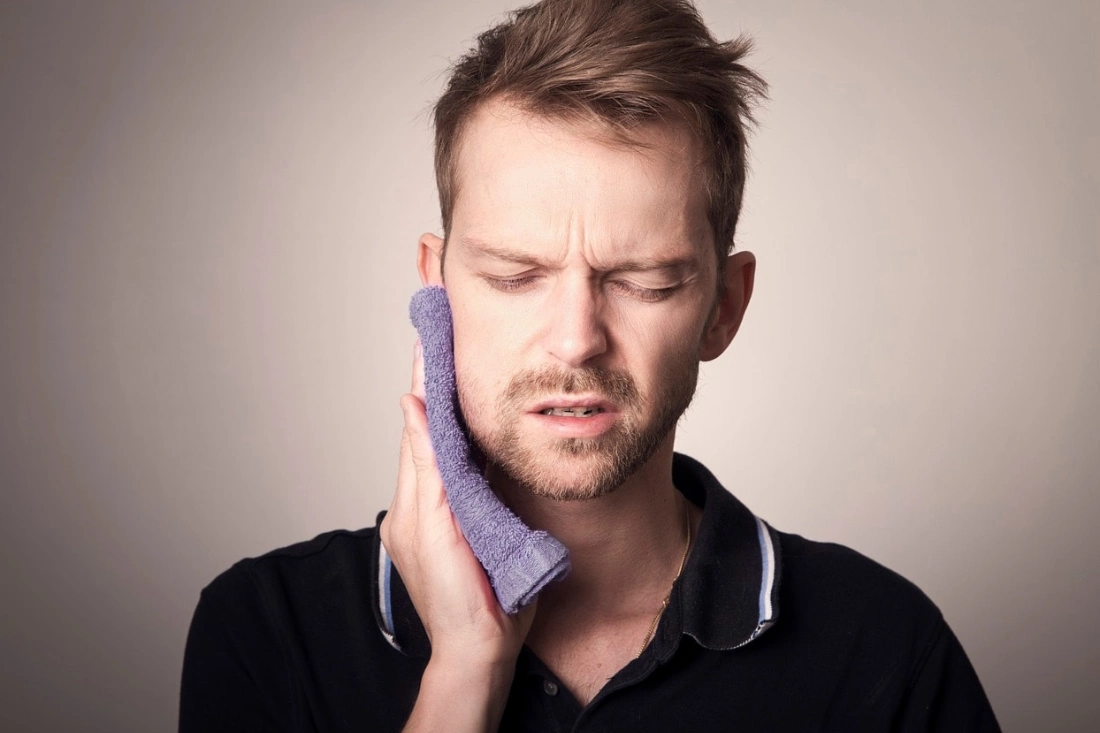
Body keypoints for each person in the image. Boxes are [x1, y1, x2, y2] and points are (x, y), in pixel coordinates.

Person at [179, 1, 1001, 730]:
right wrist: (464, 671)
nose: (576, 340)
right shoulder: (268, 631)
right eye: (514, 276)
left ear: (724, 305)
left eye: (643, 280)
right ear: (435, 288)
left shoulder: (882, 647)